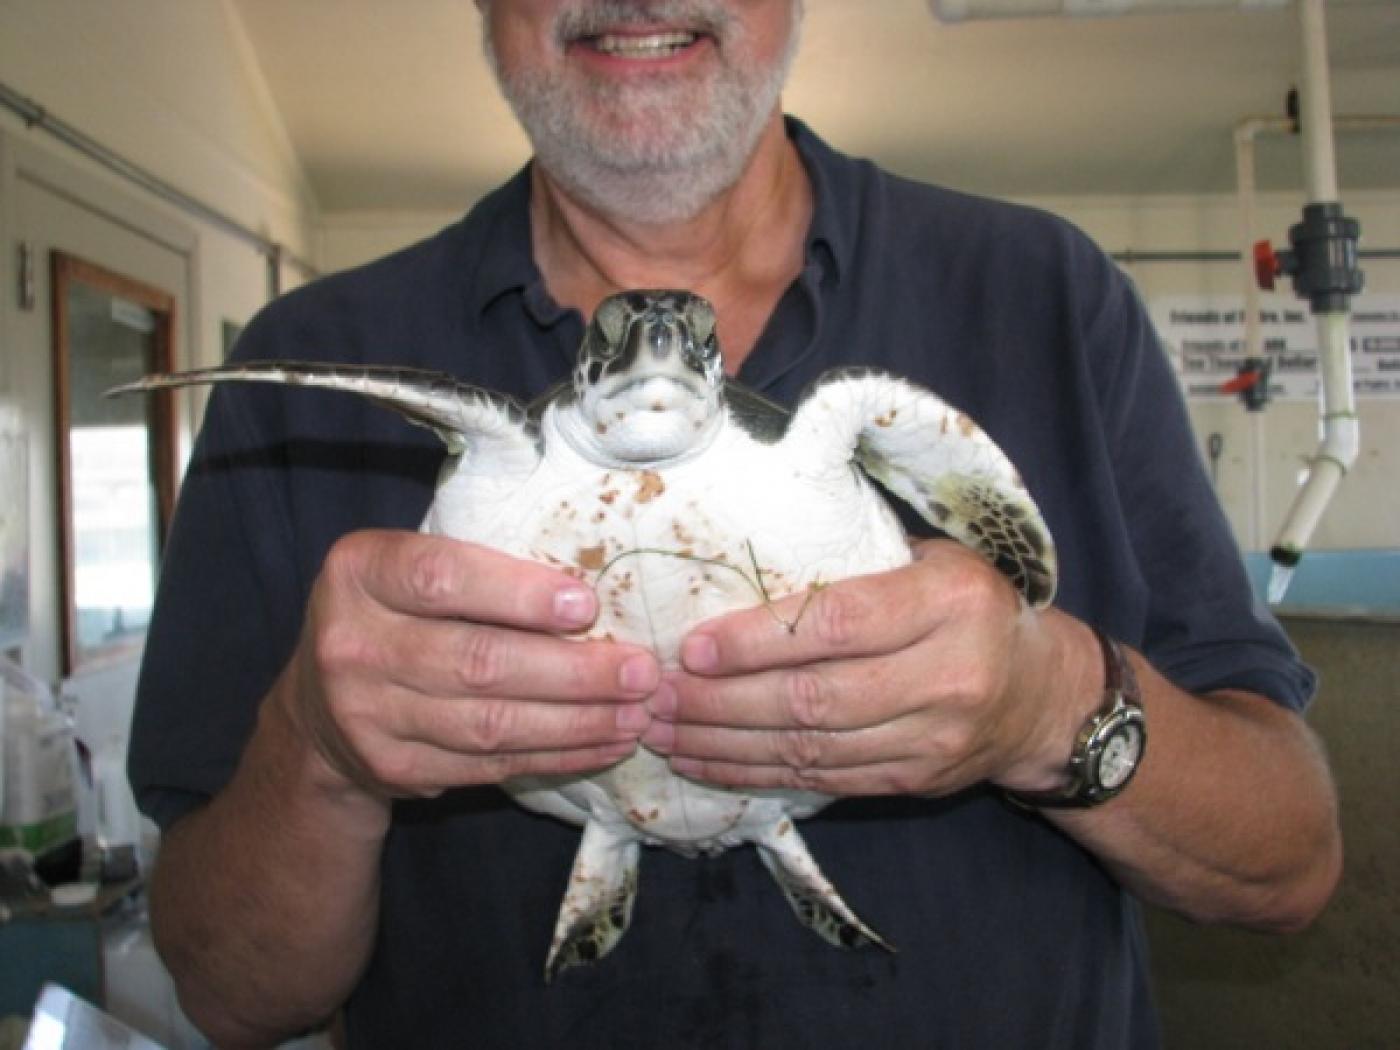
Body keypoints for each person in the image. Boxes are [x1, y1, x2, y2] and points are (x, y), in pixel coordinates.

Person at [129, 1, 1342, 1047]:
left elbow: (1289, 862)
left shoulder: (1044, 296)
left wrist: (1046, 703)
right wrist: (319, 750)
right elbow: (231, 999)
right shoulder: (307, 363)